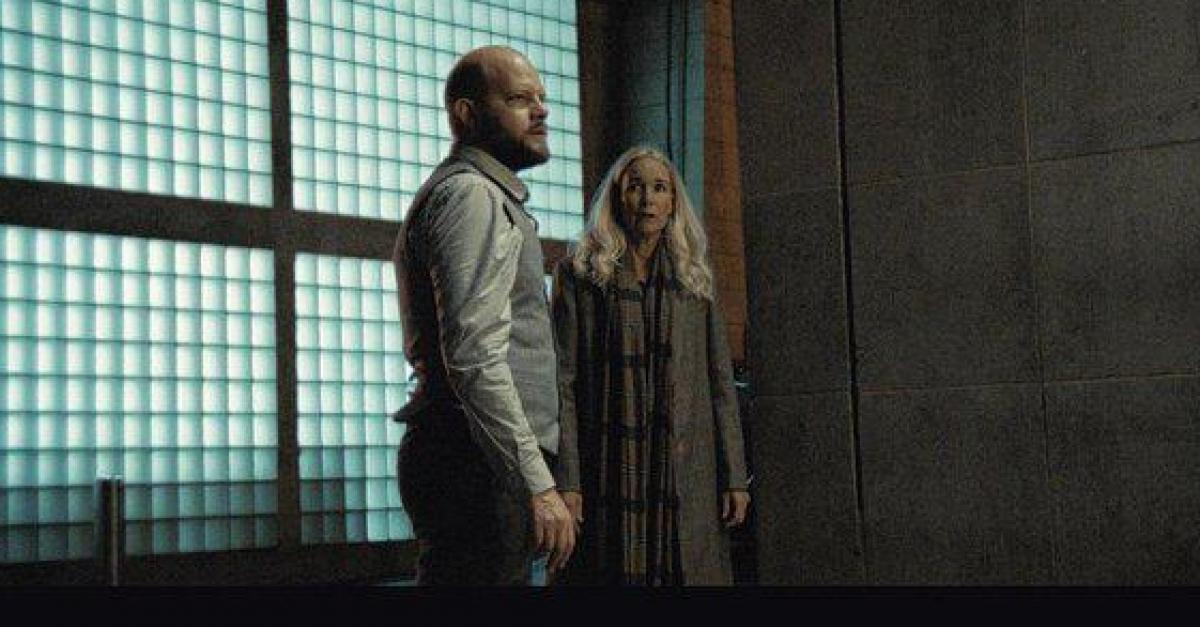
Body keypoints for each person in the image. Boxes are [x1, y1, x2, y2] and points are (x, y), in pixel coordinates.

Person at [392, 46, 574, 585]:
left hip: (479, 461)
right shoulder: (471, 195)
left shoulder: (487, 195)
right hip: (473, 462)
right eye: (519, 99)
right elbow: (473, 356)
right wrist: (538, 484)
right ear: (466, 114)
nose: (541, 110)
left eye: (541, 97)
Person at [551, 146, 751, 585]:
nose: (647, 199)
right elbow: (561, 385)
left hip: (686, 467)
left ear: (674, 202)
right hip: (607, 467)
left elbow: (720, 383)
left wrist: (734, 475)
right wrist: (568, 481)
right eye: (635, 187)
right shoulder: (581, 274)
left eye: (660, 188)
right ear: (617, 197)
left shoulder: (693, 276)